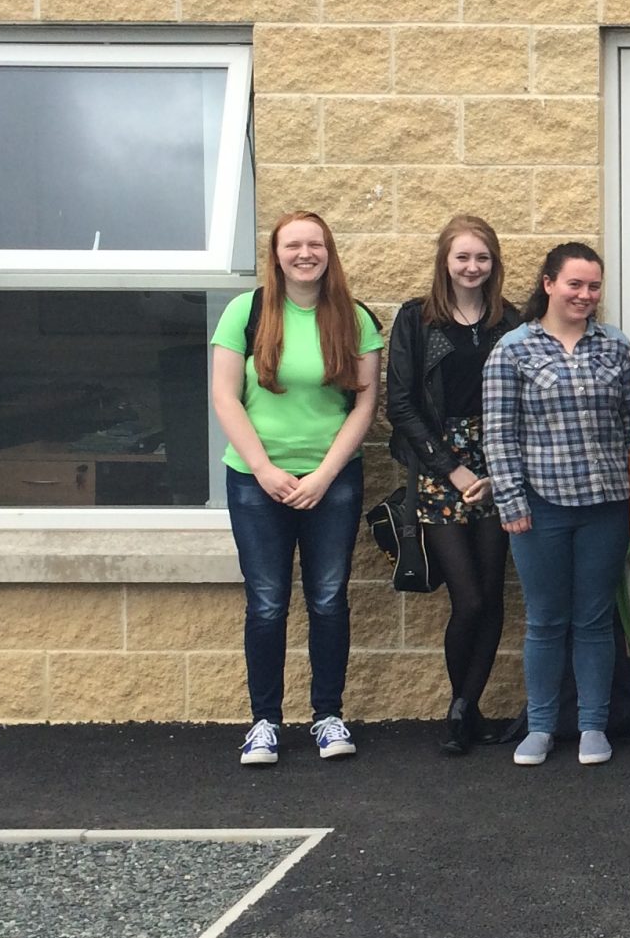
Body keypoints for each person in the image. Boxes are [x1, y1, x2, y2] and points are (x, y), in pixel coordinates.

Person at [209, 211, 382, 768]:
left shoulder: (354, 318)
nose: (305, 254)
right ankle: (264, 723)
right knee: (266, 601)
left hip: (331, 481)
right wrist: (263, 469)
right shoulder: (246, 312)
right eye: (293, 245)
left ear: (328, 252)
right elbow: (225, 396)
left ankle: (328, 716)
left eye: (315, 244)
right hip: (256, 481)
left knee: (328, 598)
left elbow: (365, 404)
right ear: (276, 254)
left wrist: (325, 475)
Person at [485, 241, 630, 769]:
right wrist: (511, 501)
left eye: (593, 286)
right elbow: (499, 435)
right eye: (574, 284)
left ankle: (593, 724)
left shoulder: (616, 347)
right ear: (549, 284)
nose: (584, 294)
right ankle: (542, 726)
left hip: (606, 504)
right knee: (546, 620)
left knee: (595, 619)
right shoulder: (513, 350)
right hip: (540, 507)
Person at [383, 214, 524, 757]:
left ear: (494, 263)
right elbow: (401, 404)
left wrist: (495, 471)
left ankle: (466, 710)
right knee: (467, 598)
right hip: (438, 465)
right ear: (445, 260)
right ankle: (461, 706)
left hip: (497, 463)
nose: (472, 266)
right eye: (463, 256)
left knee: (492, 594)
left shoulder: (509, 321)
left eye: (482, 257)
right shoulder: (416, 319)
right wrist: (452, 468)